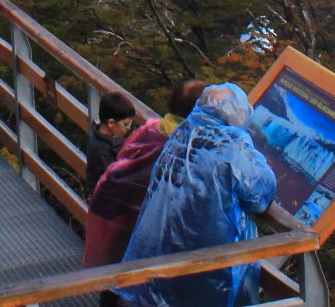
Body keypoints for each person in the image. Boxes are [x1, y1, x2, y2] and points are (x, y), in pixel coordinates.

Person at [117, 84, 277, 307]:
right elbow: (259, 196)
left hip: (158, 263)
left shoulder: (181, 130)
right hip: (203, 267)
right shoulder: (232, 144)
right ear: (235, 113)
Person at [84, 80, 207, 306]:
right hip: (143, 226)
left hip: (118, 215)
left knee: (115, 271)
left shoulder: (150, 129)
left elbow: (123, 161)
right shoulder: (183, 147)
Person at [86, 90, 140, 195]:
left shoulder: (105, 138)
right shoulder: (100, 150)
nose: (128, 129)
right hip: (105, 203)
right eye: (126, 124)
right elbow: (114, 180)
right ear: (111, 123)